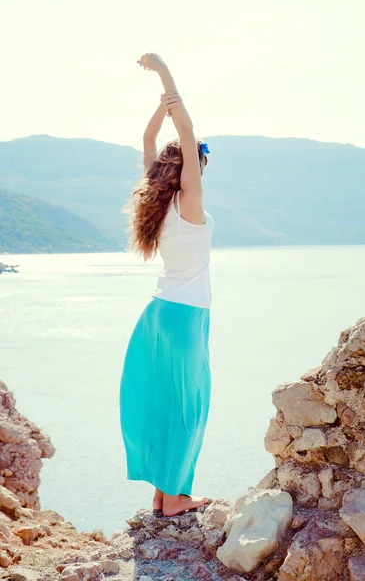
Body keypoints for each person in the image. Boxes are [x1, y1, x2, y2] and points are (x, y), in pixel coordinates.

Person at [119, 53, 214, 517]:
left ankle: (162, 493)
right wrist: (164, 73)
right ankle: (176, 499)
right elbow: (187, 131)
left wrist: (160, 105)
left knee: (163, 402)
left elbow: (148, 138)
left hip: (157, 313)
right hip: (186, 317)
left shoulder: (157, 207)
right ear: (193, 165)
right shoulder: (190, 205)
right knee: (187, 407)